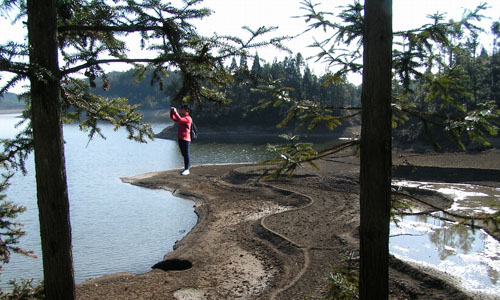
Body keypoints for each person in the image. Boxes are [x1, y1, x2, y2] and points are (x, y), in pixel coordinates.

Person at [170, 104, 192, 175]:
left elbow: (179, 119)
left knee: (186, 154)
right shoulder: (183, 117)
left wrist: (175, 112)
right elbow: (174, 118)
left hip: (186, 139)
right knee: (183, 154)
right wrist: (172, 112)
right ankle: (186, 168)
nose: (181, 110)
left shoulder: (188, 118)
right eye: (181, 108)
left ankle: (187, 169)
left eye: (182, 109)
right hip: (180, 138)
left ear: (187, 110)